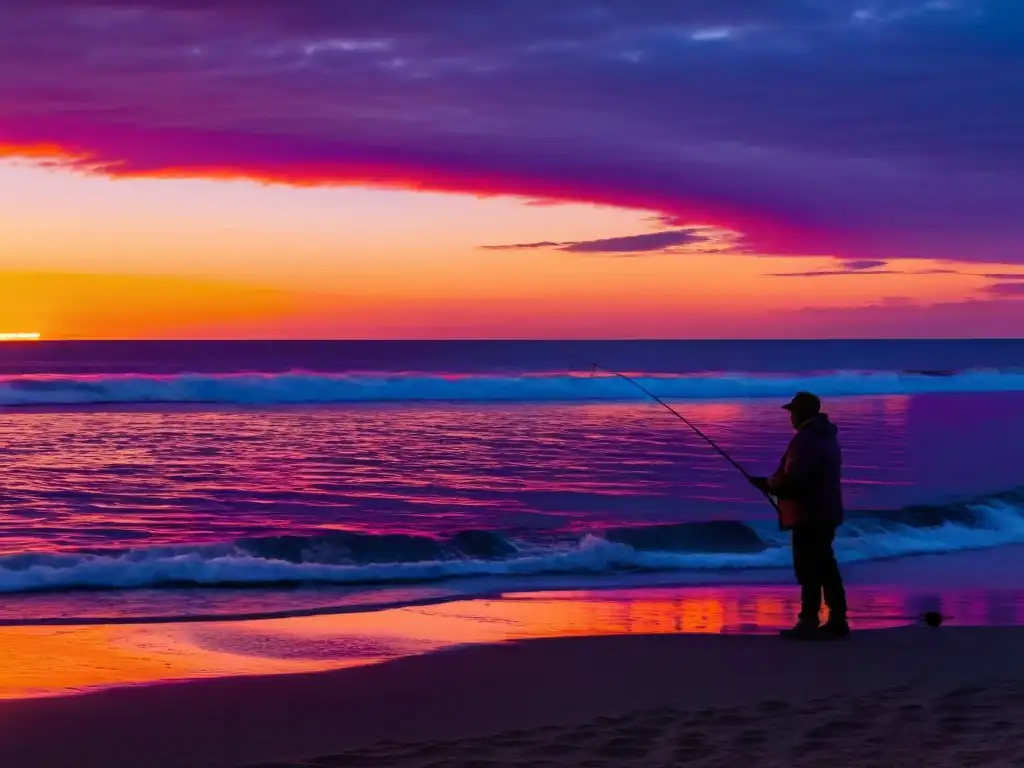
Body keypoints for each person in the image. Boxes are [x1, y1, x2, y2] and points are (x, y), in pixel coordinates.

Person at [749, 392, 849, 639]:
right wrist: (771, 483)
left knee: (809, 568)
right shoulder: (827, 436)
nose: (790, 417)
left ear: (800, 414)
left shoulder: (805, 440)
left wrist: (769, 484)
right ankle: (836, 619)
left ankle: (809, 621)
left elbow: (795, 479)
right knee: (825, 565)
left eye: (792, 412)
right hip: (827, 510)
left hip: (810, 513)